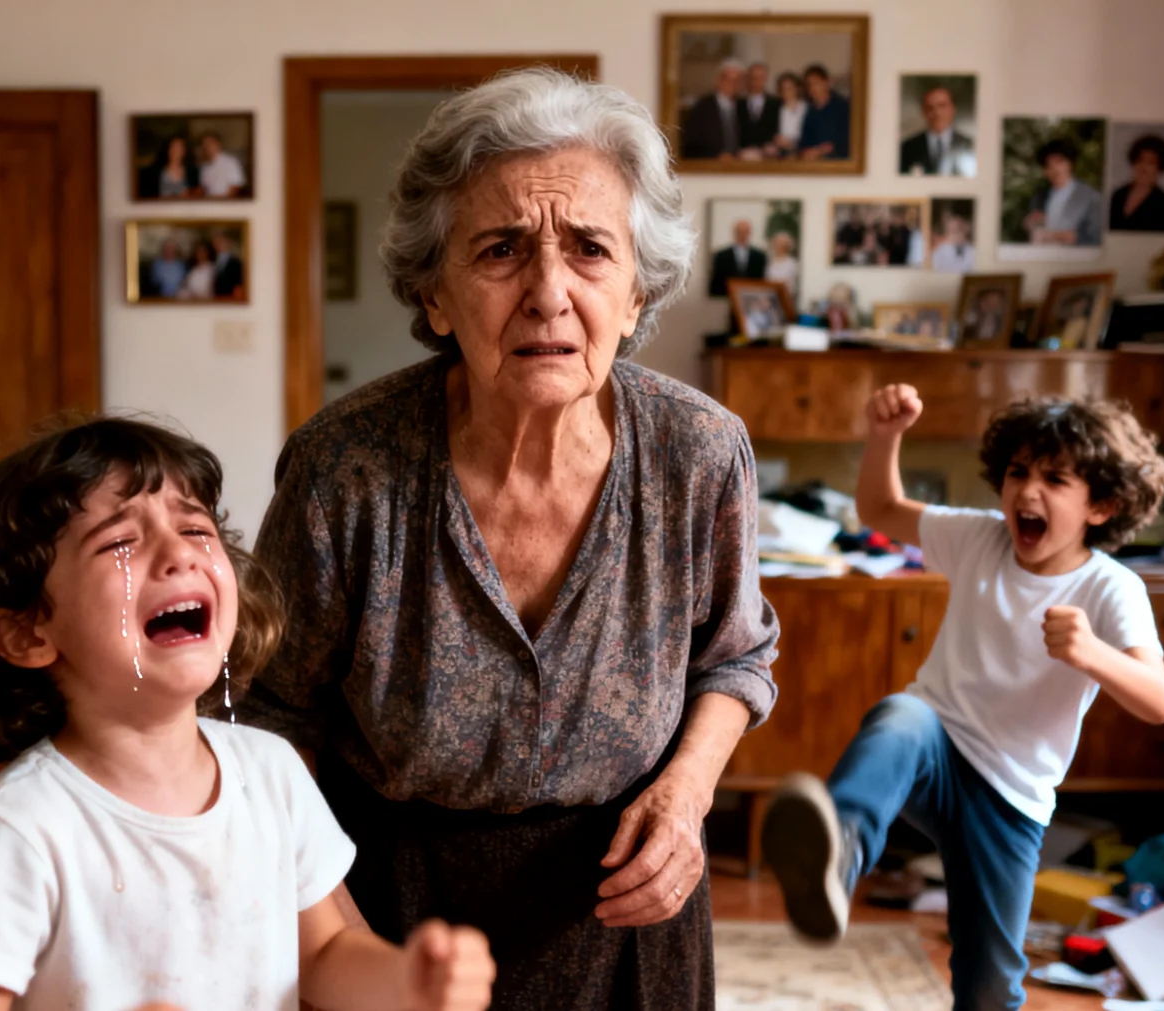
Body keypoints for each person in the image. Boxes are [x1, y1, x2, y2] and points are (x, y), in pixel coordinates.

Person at [244, 68, 779, 1011]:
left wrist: (687, 793)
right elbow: (271, 719)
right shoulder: (346, 468)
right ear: (436, 295)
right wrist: (333, 932)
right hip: (395, 912)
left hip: (627, 912)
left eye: (588, 250)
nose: (548, 291)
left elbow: (737, 659)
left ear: (638, 294)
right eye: (500, 249)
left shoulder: (699, 453)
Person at [0, 417, 497, 1011]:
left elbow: (325, 954)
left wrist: (408, 982)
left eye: (195, 529)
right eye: (119, 542)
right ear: (28, 632)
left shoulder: (270, 773)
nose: (180, 555)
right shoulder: (17, 832)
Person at [761, 387, 1164, 1011]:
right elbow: (879, 507)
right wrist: (885, 434)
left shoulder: (1111, 588)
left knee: (988, 984)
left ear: (1102, 505)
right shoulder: (979, 538)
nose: (1028, 492)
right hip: (936, 746)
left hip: (1011, 800)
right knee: (900, 716)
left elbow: (1159, 700)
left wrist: (1094, 654)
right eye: (1018, 473)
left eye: (1056, 479)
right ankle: (836, 858)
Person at [1022, 137, 1103, 246]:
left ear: (1071, 164)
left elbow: (1095, 238)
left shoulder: (1091, 197)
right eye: (1048, 165)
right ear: (1044, 171)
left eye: (1059, 162)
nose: (1055, 169)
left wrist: (1053, 236)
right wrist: (1030, 222)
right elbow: (1033, 225)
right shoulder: (1039, 197)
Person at [899, 85, 976, 176]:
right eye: (930, 107)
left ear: (953, 109)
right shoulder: (906, 148)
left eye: (942, 106)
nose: (937, 112)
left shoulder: (971, 146)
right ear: (923, 111)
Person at [681, 59, 750, 160]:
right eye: (729, 80)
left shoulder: (743, 106)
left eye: (737, 81)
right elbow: (690, 144)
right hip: (709, 167)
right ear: (719, 80)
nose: (733, 85)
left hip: (737, 168)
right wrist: (716, 155)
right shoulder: (703, 107)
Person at [1109, 134, 1164, 232]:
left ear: (1159, 168)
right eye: (1140, 160)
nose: (1143, 167)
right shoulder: (1117, 195)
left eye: (1150, 162)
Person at [796, 64, 852, 161]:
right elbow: (803, 142)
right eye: (809, 85)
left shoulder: (844, 107)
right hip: (812, 162)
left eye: (816, 83)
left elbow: (847, 142)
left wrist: (821, 151)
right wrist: (805, 152)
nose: (813, 89)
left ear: (828, 82)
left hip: (837, 162)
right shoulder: (809, 110)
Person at [710, 219, 769, 297]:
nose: (743, 235)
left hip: (753, 298)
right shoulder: (721, 255)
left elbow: (762, 280)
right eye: (740, 232)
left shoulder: (759, 256)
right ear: (734, 233)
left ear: (749, 233)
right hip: (727, 298)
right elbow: (717, 281)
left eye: (745, 232)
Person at [138, 133, 197, 199]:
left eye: (180, 147)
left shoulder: (192, 173)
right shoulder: (154, 173)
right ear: (168, 150)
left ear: (184, 151)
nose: (176, 151)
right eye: (174, 147)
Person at [740, 61, 781, 155]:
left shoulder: (776, 103)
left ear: (765, 79)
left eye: (760, 77)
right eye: (753, 77)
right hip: (743, 157)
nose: (756, 81)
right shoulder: (738, 104)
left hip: (769, 157)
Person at [196, 131, 249, 199]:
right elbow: (204, 188)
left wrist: (221, 200)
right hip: (209, 205)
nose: (206, 147)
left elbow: (235, 187)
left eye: (209, 143)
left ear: (217, 144)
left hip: (226, 204)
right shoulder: (204, 167)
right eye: (204, 144)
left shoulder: (231, 162)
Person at [931, 206, 976, 273]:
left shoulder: (975, 251)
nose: (957, 223)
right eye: (954, 231)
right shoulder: (938, 254)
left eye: (959, 230)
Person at [772, 72, 808, 156]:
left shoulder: (806, 109)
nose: (786, 92)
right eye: (783, 89)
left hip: (802, 152)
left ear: (797, 89)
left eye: (789, 89)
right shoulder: (777, 110)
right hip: (781, 153)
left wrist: (791, 143)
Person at [211, 229, 247, 300]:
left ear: (227, 242)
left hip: (229, 298)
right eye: (215, 241)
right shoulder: (212, 260)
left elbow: (238, 285)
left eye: (221, 241)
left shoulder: (235, 261)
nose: (218, 244)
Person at [764, 231, 800, 300]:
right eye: (777, 243)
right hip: (768, 298)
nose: (779, 246)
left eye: (782, 243)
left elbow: (791, 285)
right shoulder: (769, 261)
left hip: (784, 298)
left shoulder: (791, 263)